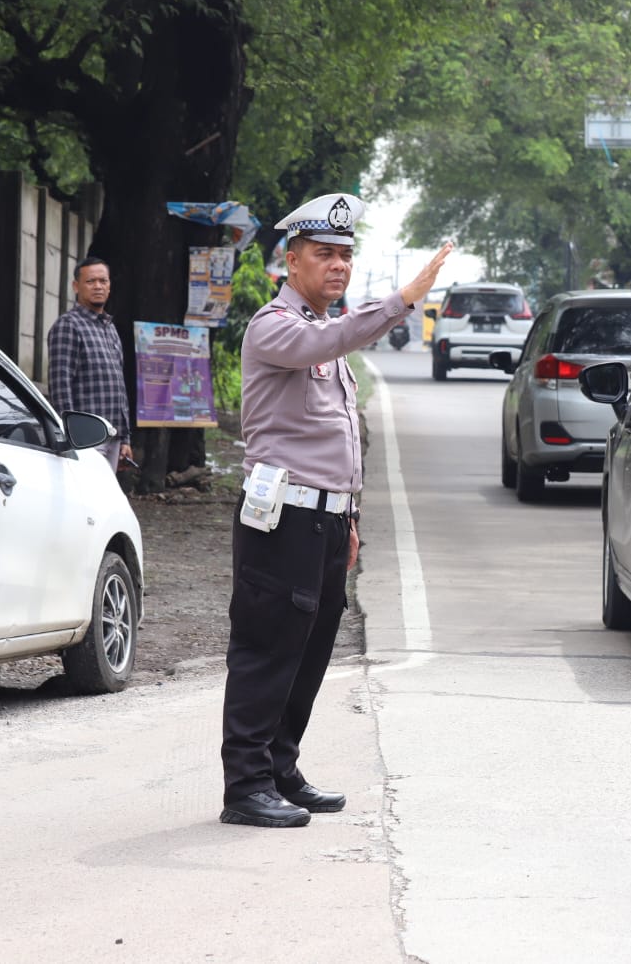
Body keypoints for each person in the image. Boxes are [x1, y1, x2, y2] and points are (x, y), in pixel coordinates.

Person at [219, 192, 453, 829]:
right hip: (282, 520)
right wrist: (403, 298)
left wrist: (348, 519)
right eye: (324, 254)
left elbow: (339, 436)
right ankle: (245, 785)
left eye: (345, 255)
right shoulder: (276, 326)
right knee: (267, 651)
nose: (339, 265)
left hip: (322, 521)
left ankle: (279, 768)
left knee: (310, 651)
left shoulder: (325, 334)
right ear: (291, 262)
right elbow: (334, 337)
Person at [47, 257, 133, 471]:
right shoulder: (68, 326)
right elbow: (60, 386)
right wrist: (72, 436)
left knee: (105, 493)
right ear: (76, 286)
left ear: (109, 286)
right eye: (90, 281)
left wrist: (125, 438)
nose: (98, 286)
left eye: (103, 281)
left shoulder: (109, 327)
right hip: (86, 438)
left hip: (113, 435)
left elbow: (119, 387)